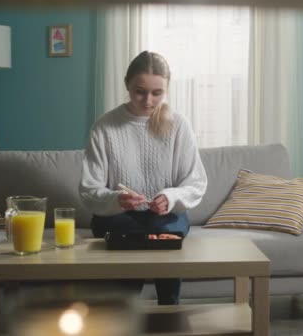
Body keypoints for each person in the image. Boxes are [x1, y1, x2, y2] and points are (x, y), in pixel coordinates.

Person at [79, 51, 208, 305]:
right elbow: (88, 189)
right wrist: (118, 199)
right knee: (131, 236)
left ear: (167, 90)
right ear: (127, 84)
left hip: (165, 216)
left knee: (165, 234)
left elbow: (195, 183)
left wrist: (170, 197)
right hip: (118, 217)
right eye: (140, 91)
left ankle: (169, 312)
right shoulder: (105, 127)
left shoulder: (178, 126)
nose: (148, 101)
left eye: (157, 93)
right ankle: (124, 314)